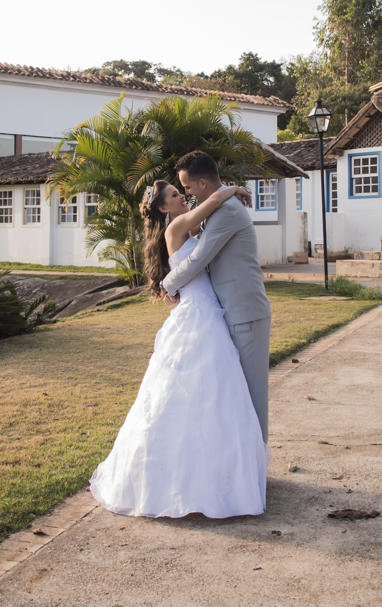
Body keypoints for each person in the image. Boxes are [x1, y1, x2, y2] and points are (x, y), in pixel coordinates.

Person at [89, 178, 267, 518]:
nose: (182, 196)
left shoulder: (185, 226)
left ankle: (212, 475)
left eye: (179, 191)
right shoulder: (177, 227)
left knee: (212, 395)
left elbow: (212, 218)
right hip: (199, 314)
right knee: (200, 391)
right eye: (174, 194)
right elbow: (213, 199)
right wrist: (236, 188)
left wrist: (231, 192)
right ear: (162, 208)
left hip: (207, 308)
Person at [163, 150, 272, 444]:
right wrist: (233, 188)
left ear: (202, 183)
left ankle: (256, 472)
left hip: (245, 313)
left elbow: (199, 259)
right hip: (230, 312)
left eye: (186, 188)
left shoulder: (227, 212)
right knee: (237, 397)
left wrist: (167, 284)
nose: (185, 194)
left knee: (252, 398)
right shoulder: (220, 207)